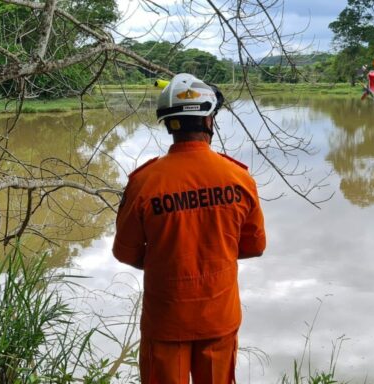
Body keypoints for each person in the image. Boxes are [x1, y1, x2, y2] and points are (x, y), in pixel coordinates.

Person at [113, 73, 266, 384]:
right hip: (218, 318)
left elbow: (124, 252)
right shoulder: (239, 178)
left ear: (169, 124)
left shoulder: (144, 182)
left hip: (166, 320)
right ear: (209, 121)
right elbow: (254, 247)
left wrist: (167, 259)